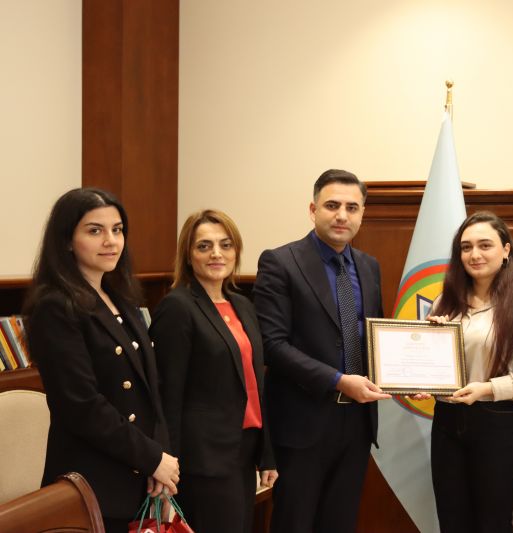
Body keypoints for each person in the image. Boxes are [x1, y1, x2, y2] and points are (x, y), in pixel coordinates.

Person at [23, 188, 180, 533]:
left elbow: (151, 392)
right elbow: (82, 405)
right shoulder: (55, 306)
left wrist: (160, 461)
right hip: (93, 483)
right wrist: (151, 458)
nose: (110, 241)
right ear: (67, 240)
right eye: (95, 230)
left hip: (139, 474)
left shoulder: (122, 298)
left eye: (117, 229)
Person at [253, 169, 390, 533]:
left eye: (352, 207)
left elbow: (373, 338)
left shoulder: (369, 266)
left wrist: (409, 379)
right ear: (313, 210)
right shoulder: (280, 262)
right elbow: (272, 346)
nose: (342, 215)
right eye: (332, 205)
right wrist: (338, 380)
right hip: (303, 423)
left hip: (357, 423)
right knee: (294, 523)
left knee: (340, 523)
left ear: (362, 214)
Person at [149, 210, 278, 533]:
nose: (217, 254)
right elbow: (168, 395)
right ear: (188, 255)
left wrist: (267, 454)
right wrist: (166, 463)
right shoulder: (177, 307)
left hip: (243, 450)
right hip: (203, 460)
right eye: (204, 246)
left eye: (225, 245)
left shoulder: (242, 304)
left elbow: (256, 383)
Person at [425, 211, 513, 533]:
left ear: (506, 250)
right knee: (452, 521)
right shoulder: (444, 303)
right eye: (466, 247)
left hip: (499, 424)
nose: (474, 254)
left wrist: (487, 388)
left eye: (485, 245)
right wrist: (423, 379)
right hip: (447, 422)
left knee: (492, 523)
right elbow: (432, 367)